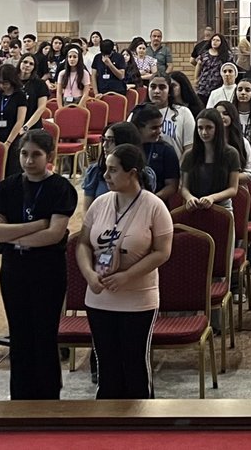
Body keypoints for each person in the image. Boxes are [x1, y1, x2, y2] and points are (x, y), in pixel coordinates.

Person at [0, 130, 78, 400]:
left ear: (49, 156)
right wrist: (36, 225)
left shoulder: (60, 188)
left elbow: (53, 235)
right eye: (24, 154)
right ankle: (20, 397)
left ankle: (48, 396)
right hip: (14, 270)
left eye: (36, 155)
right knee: (20, 334)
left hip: (47, 270)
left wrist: (12, 235)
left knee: (44, 334)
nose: (28, 161)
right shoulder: (9, 186)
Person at [76, 141, 172, 399]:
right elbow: (83, 243)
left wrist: (127, 276)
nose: (106, 176)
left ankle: (142, 419)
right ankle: (108, 420)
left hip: (137, 299)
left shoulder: (154, 206)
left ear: (132, 173)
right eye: (106, 169)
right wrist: (89, 274)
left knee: (134, 366)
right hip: (99, 297)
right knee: (107, 367)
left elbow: (162, 252)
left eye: (113, 170)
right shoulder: (100, 203)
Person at [178, 108, 242, 211]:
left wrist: (212, 198)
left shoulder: (231, 154)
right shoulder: (189, 155)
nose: (204, 132)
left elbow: (233, 189)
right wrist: (189, 197)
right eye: (200, 128)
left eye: (209, 128)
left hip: (222, 208)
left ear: (218, 128)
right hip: (195, 207)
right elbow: (184, 187)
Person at [0, 64, 31, 178]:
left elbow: (20, 121)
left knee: (12, 171)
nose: (2, 85)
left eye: (5, 82)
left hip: (13, 138)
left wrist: (8, 142)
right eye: (0, 82)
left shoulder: (20, 96)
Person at [148, 73, 197, 154]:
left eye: (162, 87)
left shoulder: (184, 112)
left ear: (169, 92)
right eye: (153, 87)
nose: (156, 91)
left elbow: (189, 148)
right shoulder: (138, 112)